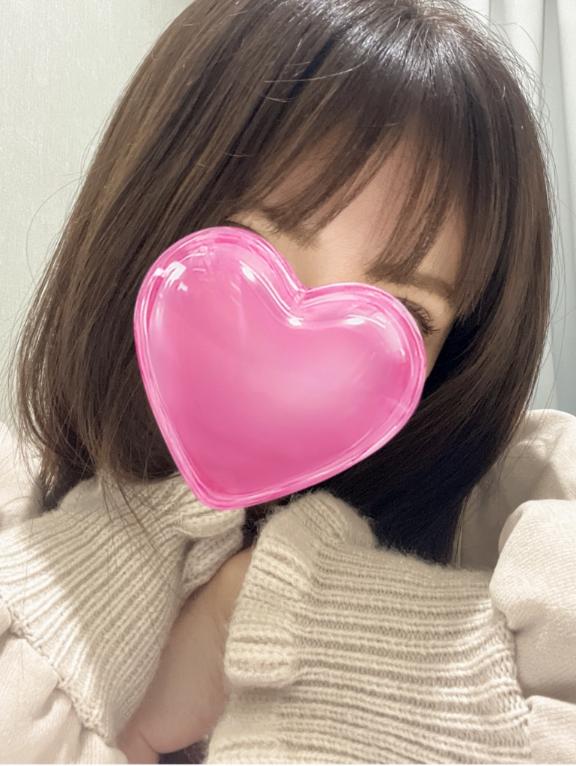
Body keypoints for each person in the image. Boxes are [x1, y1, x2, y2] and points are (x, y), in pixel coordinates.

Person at [0, 0, 575, 762]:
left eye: (404, 312)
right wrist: (132, 540)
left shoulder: (517, 503)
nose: (303, 360)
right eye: (250, 246)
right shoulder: (17, 498)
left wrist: (289, 624)